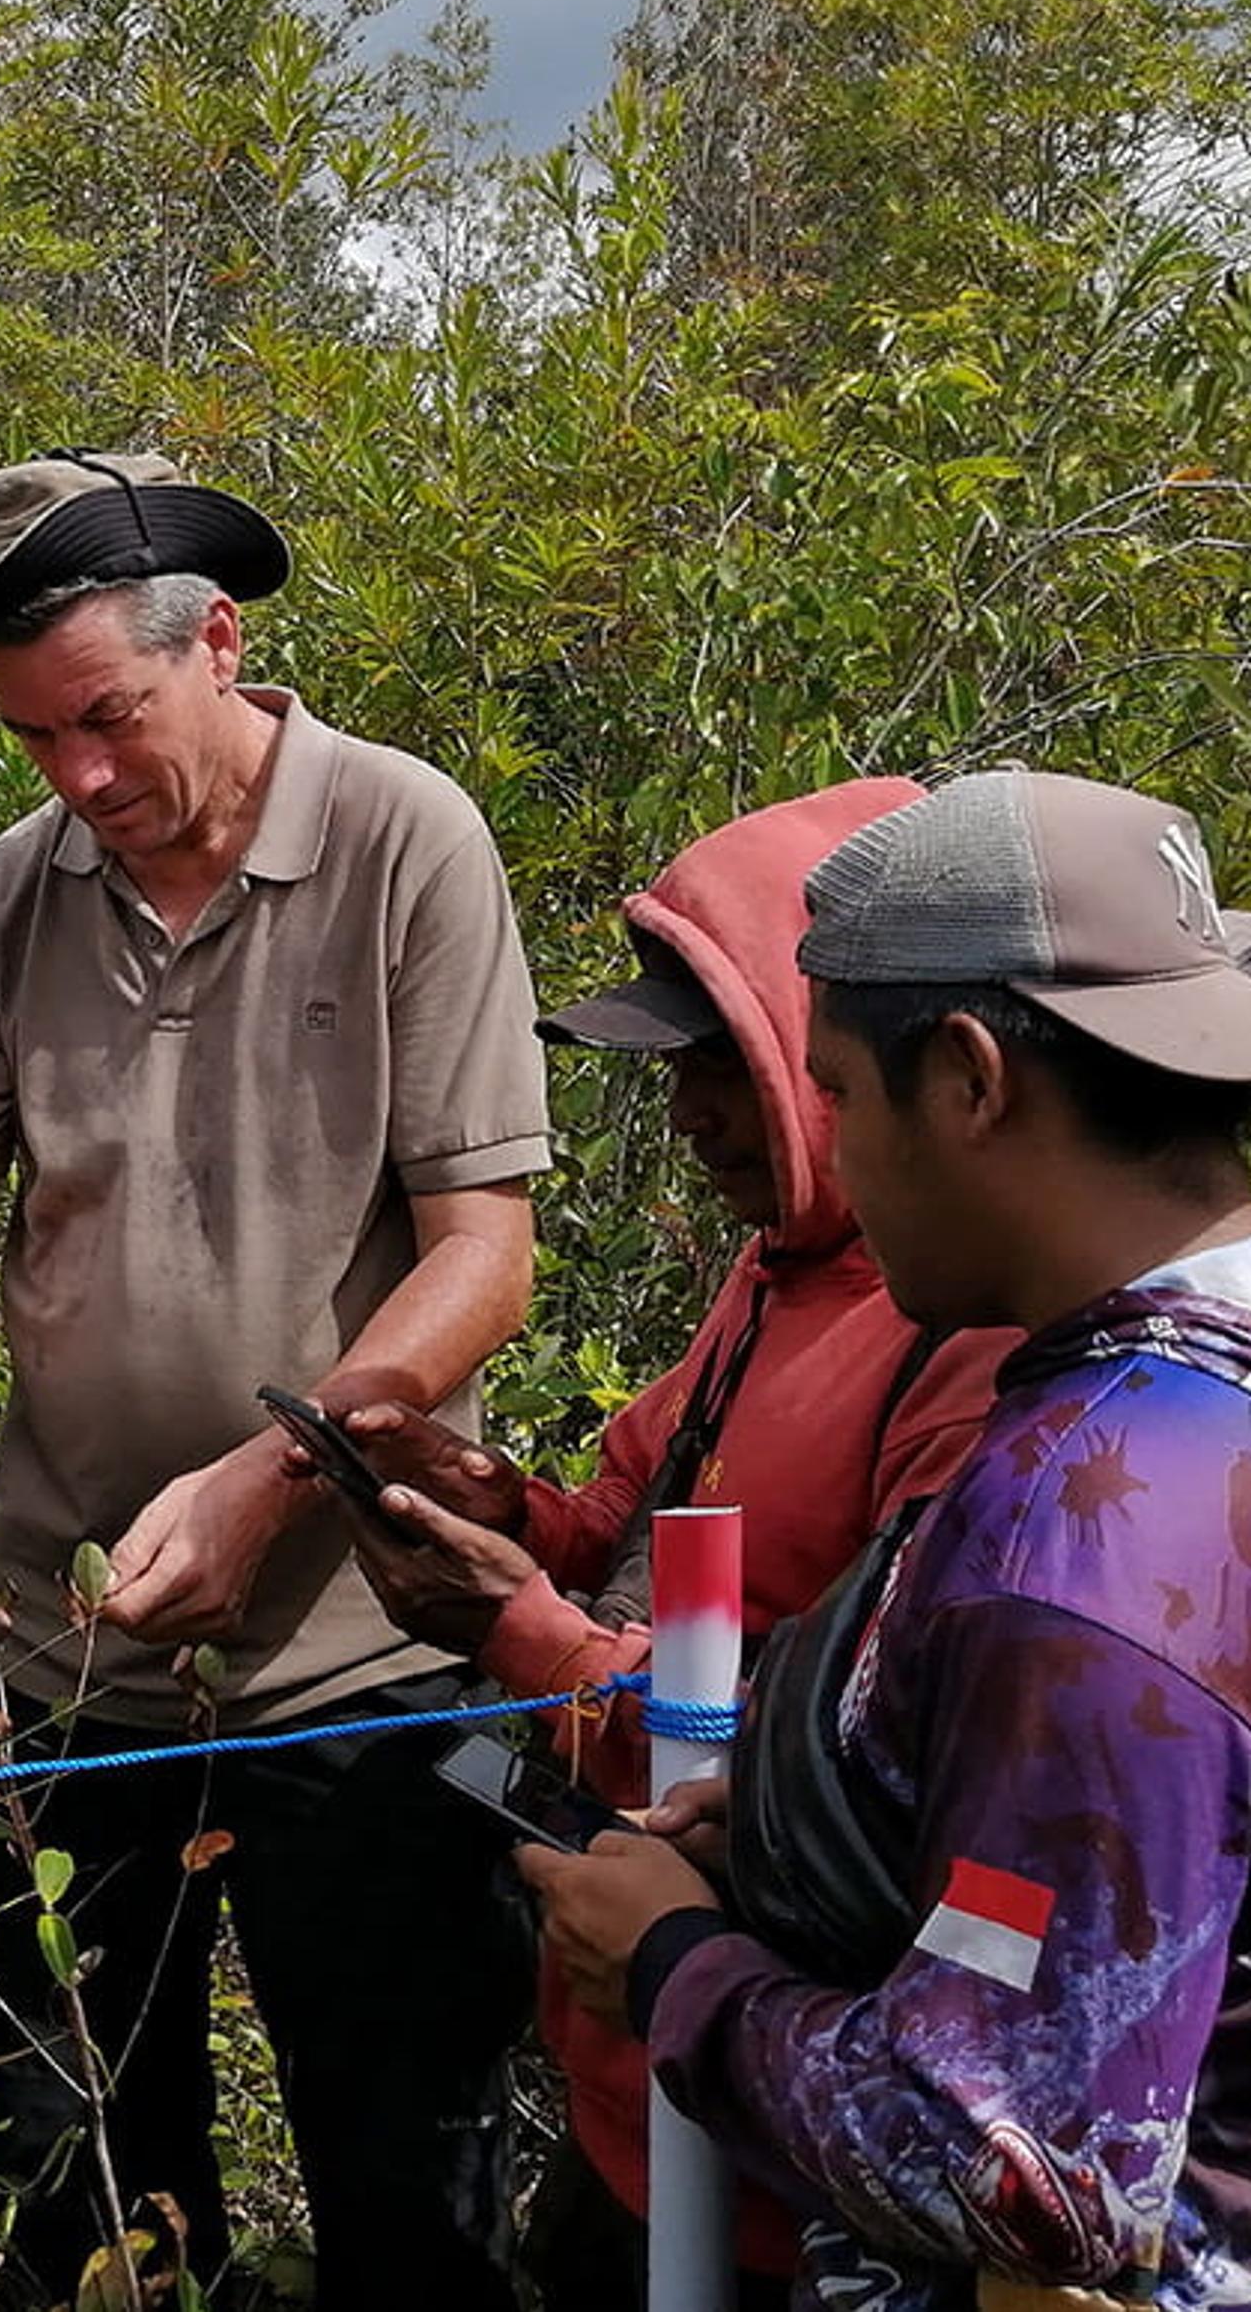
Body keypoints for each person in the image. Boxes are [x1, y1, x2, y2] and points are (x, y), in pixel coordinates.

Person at [0, 452, 552, 2309]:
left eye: (105, 721)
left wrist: (270, 1475)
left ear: (219, 639)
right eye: (33, 740)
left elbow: (478, 1255)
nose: (79, 779)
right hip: (58, 1653)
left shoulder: (399, 837)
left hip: (357, 1656)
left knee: (408, 2188)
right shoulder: (2, 901)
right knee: (85, 2203)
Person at [525, 768, 1251, 2308]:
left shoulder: (1083, 1533)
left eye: (841, 1092)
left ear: (970, 1076)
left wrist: (676, 1967)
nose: (830, 1152)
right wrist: (820, 1824)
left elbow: (1021, 2166)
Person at [328, 781, 1015, 2309]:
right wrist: (506, 1511)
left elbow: (855, 1750)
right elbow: (642, 1523)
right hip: (643, 2077)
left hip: (795, 2142)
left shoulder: (959, 1339)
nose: (689, 1111)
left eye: (725, 1060)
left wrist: (516, 1629)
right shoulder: (776, 1273)